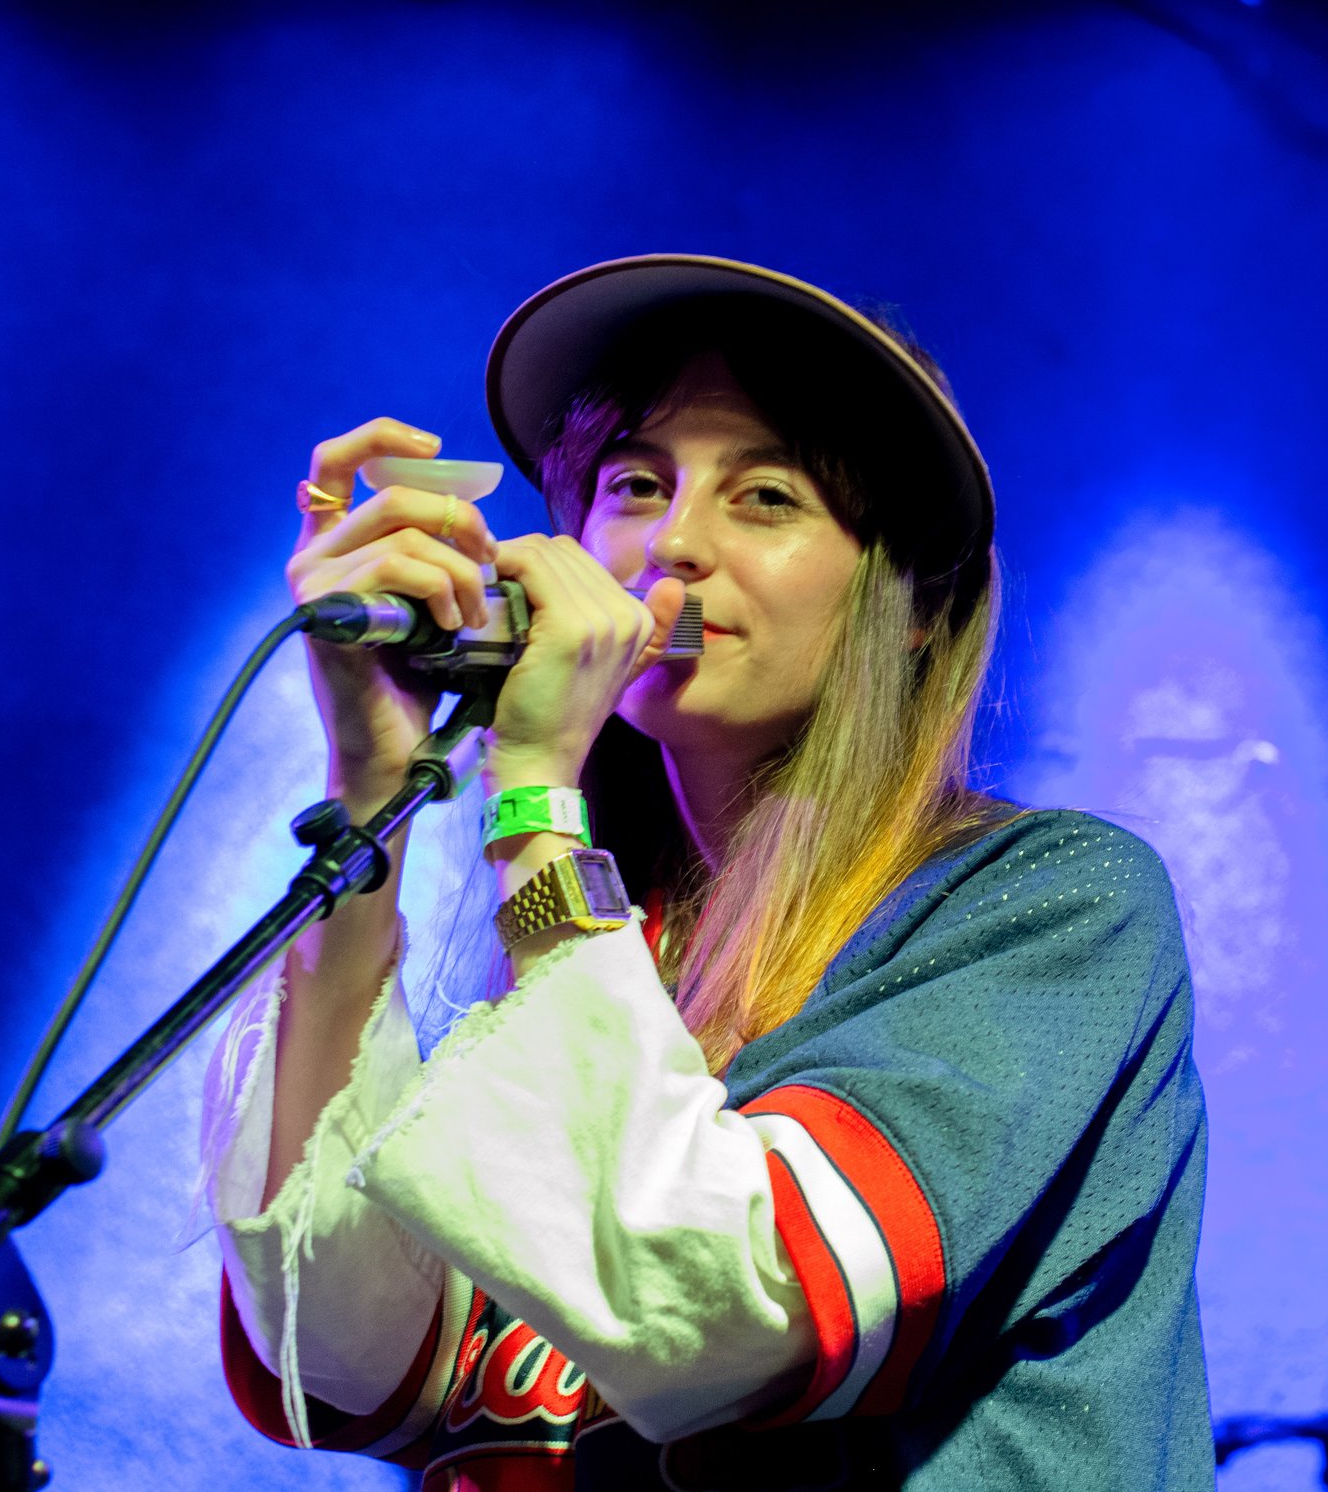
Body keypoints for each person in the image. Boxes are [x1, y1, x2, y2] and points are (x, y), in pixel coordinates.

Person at [200, 255, 1213, 1489]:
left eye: (768, 496)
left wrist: (531, 798)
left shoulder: (1049, 906)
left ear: (912, 602)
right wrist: (372, 786)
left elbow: (722, 1315)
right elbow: (334, 1346)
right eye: (633, 481)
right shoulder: (583, 966)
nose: (672, 543)